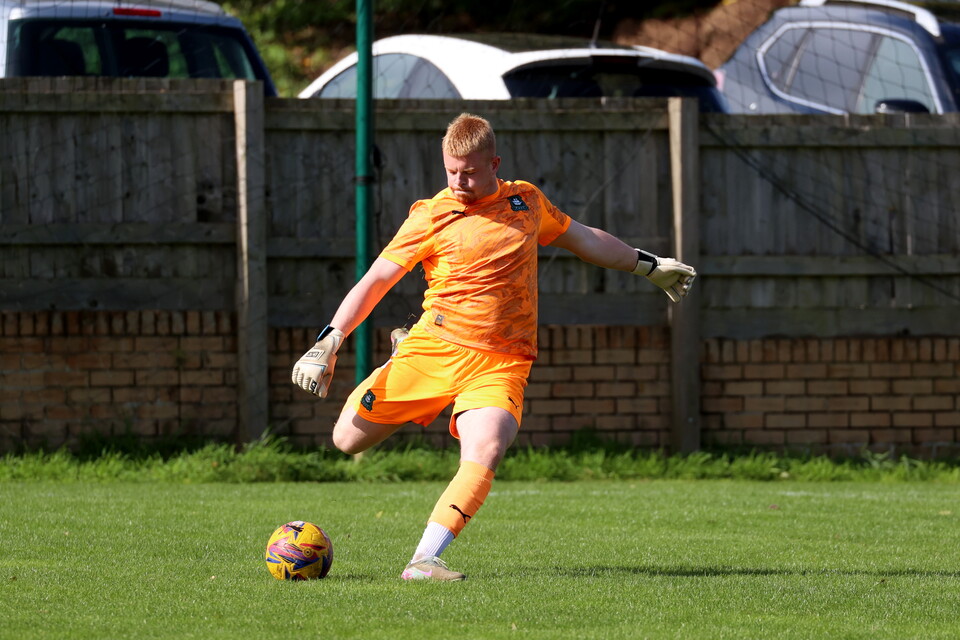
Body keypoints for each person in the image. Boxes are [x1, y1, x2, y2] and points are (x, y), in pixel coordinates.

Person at [292, 113, 696, 581]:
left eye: (469, 172)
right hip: (433, 349)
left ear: (494, 164)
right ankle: (400, 354)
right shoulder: (430, 215)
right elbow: (377, 279)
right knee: (347, 440)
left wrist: (648, 266)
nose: (458, 182)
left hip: (502, 361)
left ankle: (423, 561)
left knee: (487, 446)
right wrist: (331, 340)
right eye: (450, 171)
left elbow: (584, 238)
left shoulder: (526, 201)